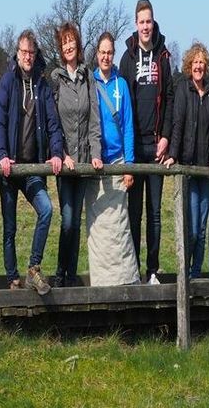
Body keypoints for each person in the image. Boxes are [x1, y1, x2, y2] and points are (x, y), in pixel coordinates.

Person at [0, 29, 64, 294]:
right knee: (9, 226)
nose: (28, 57)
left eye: (32, 52)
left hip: (33, 167)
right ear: (17, 52)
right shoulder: (6, 82)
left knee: (46, 210)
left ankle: (34, 267)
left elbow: (53, 124)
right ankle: (12, 278)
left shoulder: (42, 85)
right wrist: (0, 155)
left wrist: (56, 152)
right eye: (24, 52)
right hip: (10, 168)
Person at [119, 0, 174, 285]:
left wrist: (166, 136)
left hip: (156, 147)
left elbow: (171, 98)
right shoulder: (127, 58)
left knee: (154, 213)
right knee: (134, 213)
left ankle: (153, 270)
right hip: (134, 147)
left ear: (154, 23)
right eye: (141, 22)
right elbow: (123, 102)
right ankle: (134, 270)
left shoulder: (164, 55)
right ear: (135, 24)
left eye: (149, 21)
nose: (145, 26)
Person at [50, 22, 103, 287]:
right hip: (65, 162)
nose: (68, 46)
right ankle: (60, 273)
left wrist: (95, 153)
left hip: (83, 161)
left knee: (78, 219)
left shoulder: (87, 76)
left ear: (78, 45)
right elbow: (52, 122)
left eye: (72, 41)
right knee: (68, 219)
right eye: (64, 43)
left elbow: (94, 118)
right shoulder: (55, 78)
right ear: (61, 48)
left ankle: (71, 275)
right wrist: (60, 152)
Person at [165, 43, 209, 278]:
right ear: (189, 65)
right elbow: (177, 123)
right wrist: (173, 155)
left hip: (206, 168)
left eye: (202, 62)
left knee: (202, 227)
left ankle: (197, 273)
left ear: (206, 66)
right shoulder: (182, 89)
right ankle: (185, 271)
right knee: (191, 228)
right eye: (195, 62)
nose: (198, 66)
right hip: (188, 166)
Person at [86, 32, 138, 286]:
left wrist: (129, 165)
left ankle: (124, 281)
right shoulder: (89, 83)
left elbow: (128, 126)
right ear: (96, 54)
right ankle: (101, 282)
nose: (106, 57)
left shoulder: (122, 85)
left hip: (117, 161)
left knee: (118, 226)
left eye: (110, 52)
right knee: (98, 228)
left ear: (113, 55)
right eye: (102, 52)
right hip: (96, 164)